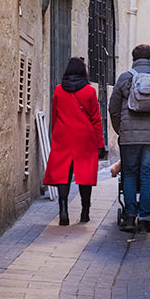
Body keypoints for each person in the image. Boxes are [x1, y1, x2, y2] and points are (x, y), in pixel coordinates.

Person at [108, 42, 150, 232]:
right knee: (147, 175)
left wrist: (122, 129)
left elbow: (113, 108)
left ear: (133, 58)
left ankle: (130, 217)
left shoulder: (124, 78)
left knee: (129, 174)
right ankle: (145, 217)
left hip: (129, 137)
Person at [43, 56, 105, 226]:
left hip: (63, 135)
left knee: (63, 174)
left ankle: (63, 209)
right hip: (84, 137)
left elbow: (54, 115)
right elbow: (96, 119)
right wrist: (100, 144)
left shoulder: (58, 90)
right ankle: (85, 213)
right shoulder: (90, 91)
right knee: (84, 175)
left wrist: (55, 135)